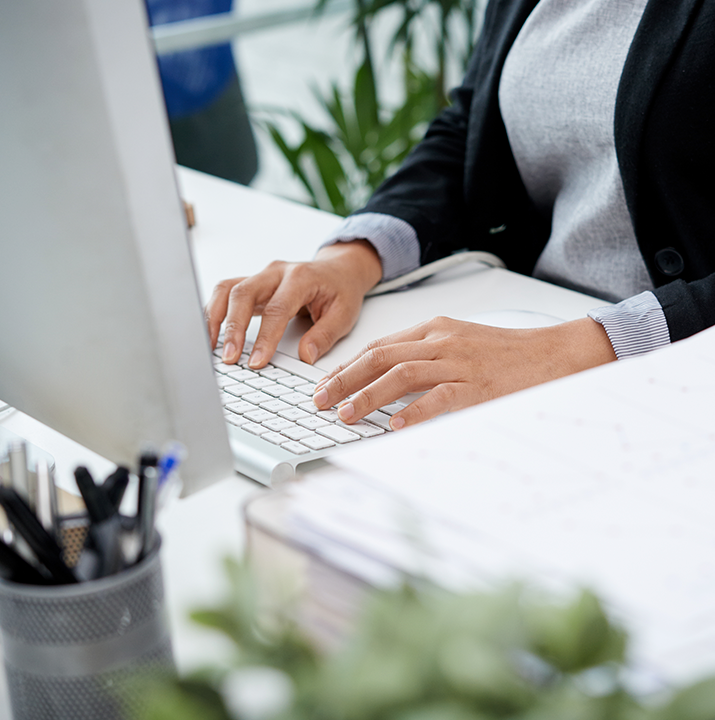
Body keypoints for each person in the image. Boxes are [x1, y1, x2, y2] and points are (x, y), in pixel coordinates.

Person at [205, 0, 715, 432]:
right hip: (525, 324)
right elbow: (471, 130)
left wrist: (572, 348)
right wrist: (352, 258)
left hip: (666, 382)